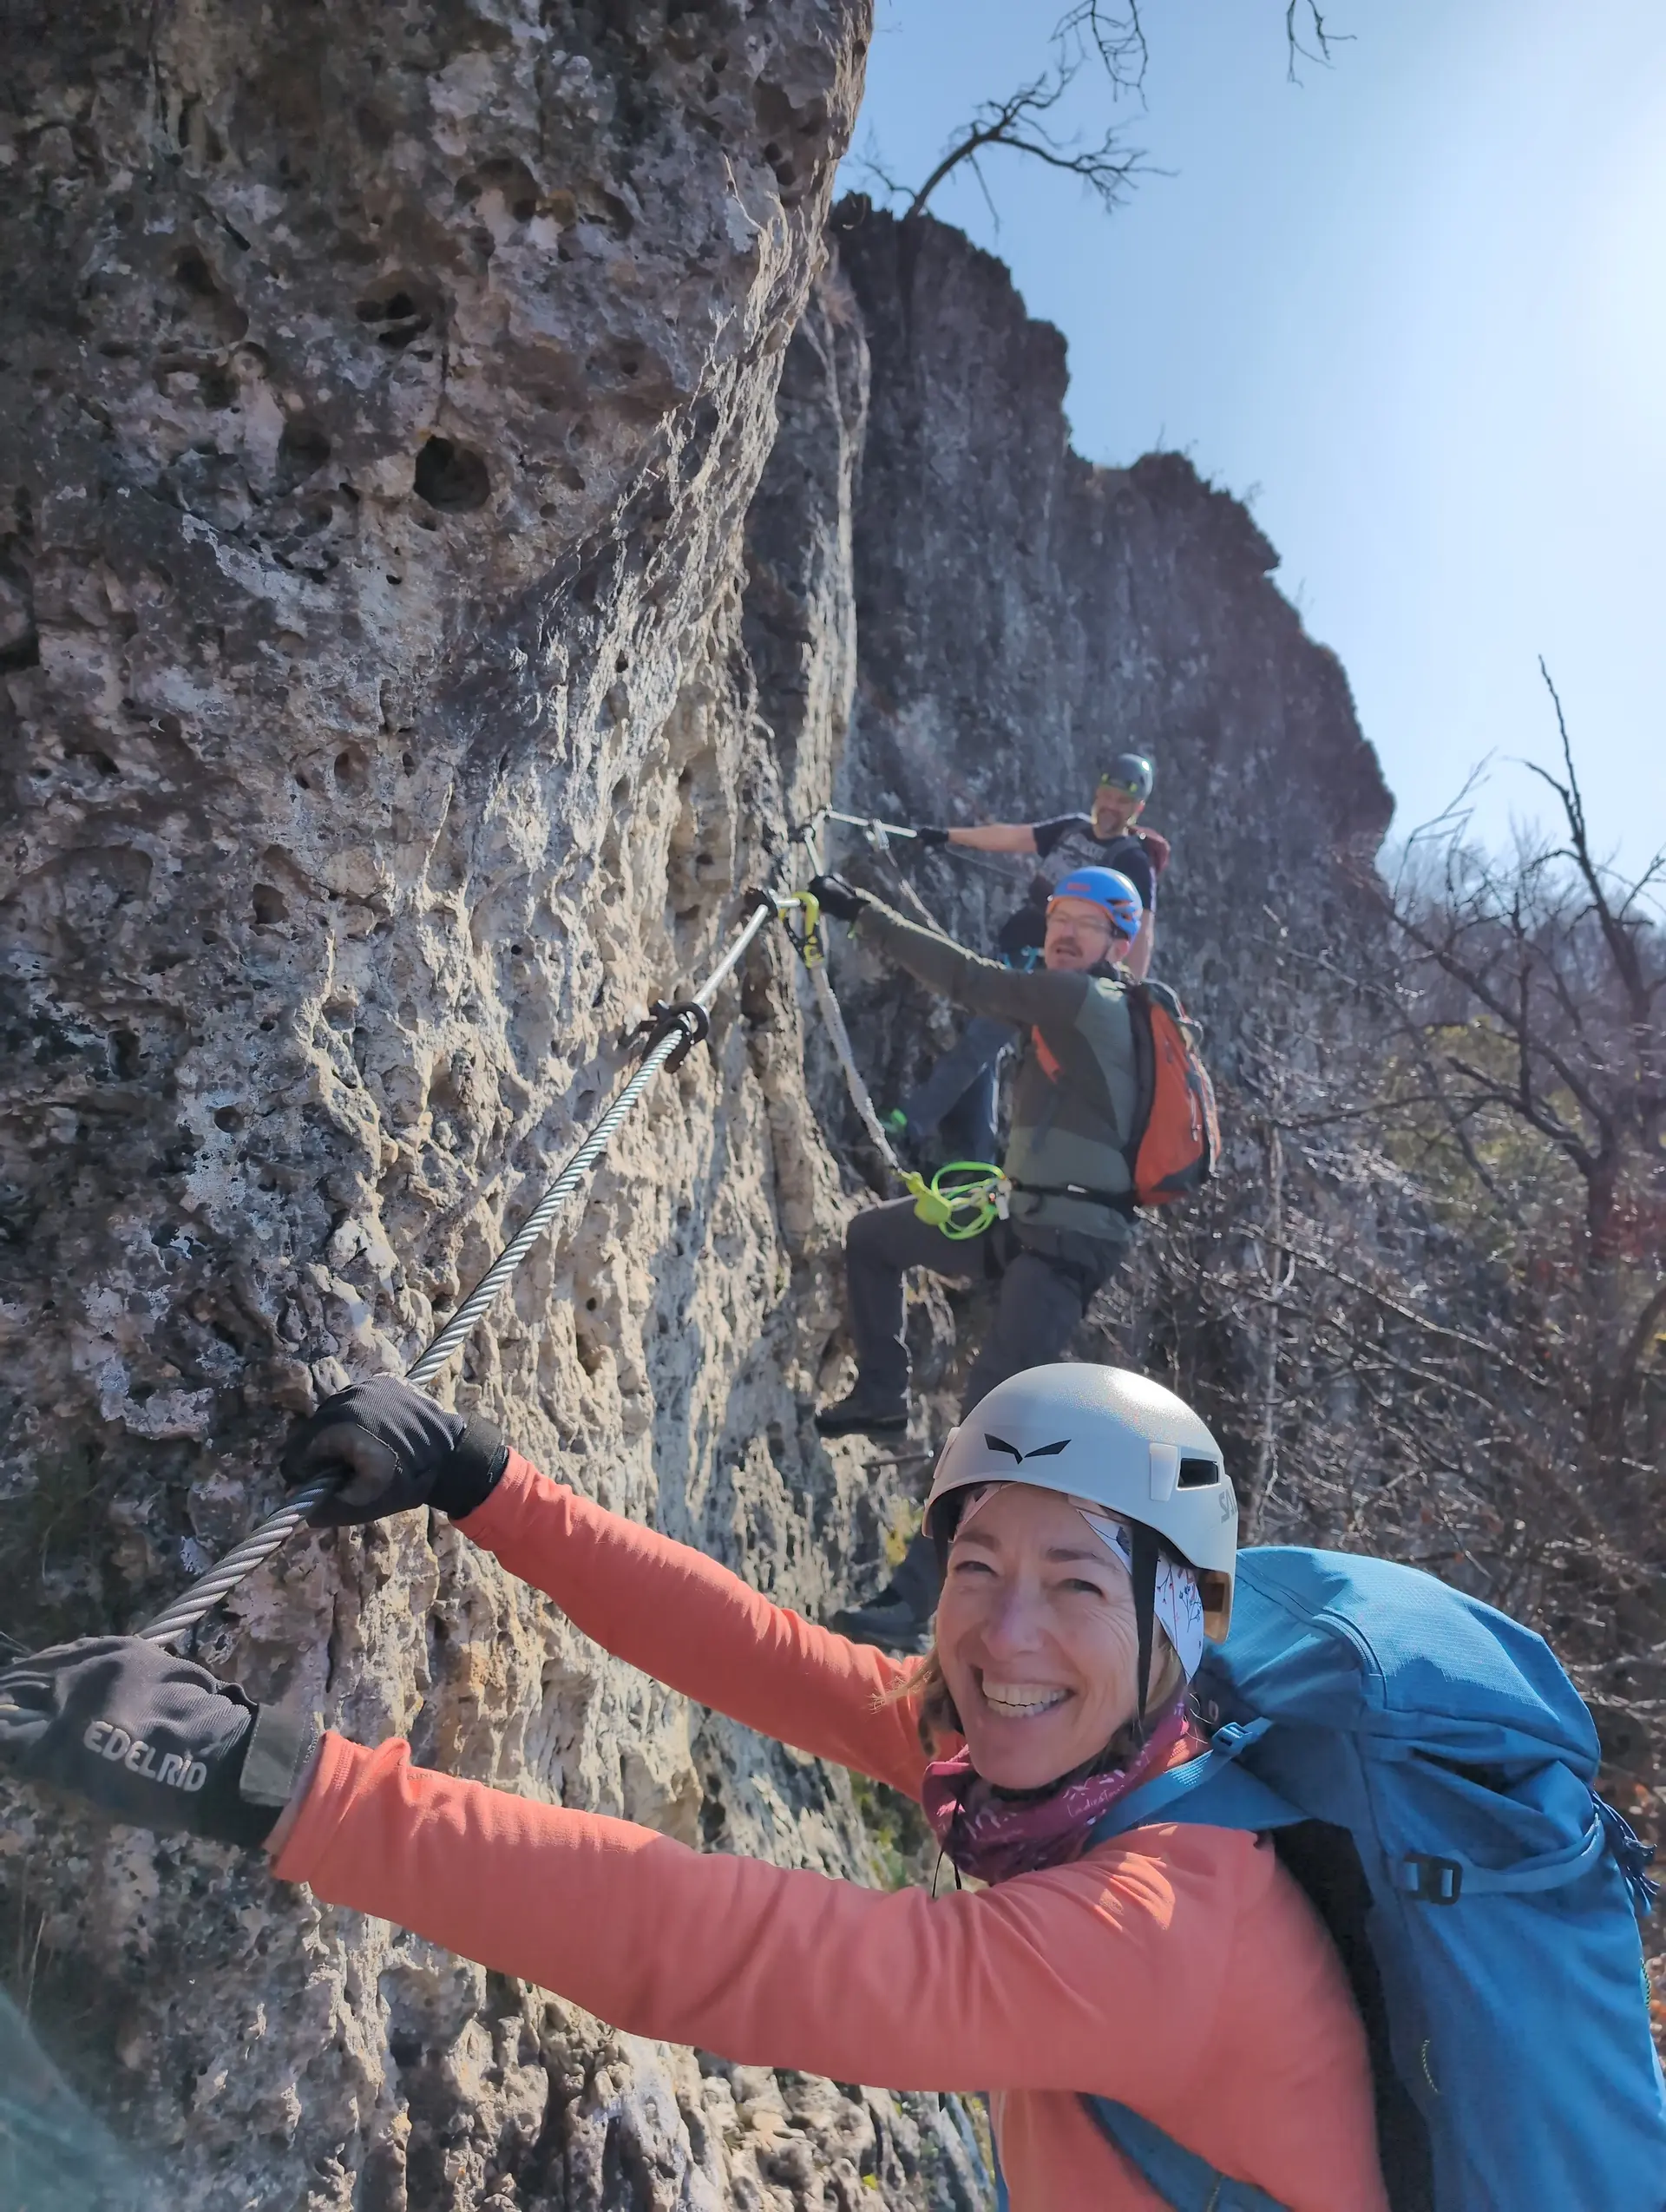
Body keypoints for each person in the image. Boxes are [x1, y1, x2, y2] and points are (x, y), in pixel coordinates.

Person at [0, 1366, 1390, 2212]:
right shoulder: (1076, 1768)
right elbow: (767, 1655)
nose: (1005, 1635)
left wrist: (275, 1782)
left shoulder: (1162, 1923)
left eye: (1077, 1583)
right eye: (978, 1568)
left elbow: (722, 1952)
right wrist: (481, 1480)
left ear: (1183, 1624)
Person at [887, 752, 1170, 1162]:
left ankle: (909, 1123)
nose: (1111, 806)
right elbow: (1011, 837)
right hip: (1017, 953)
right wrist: (945, 836)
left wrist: (1128, 997)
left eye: (1122, 802)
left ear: (1137, 809)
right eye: (1107, 796)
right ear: (1098, 792)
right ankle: (976, 1159)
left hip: (1052, 975)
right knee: (984, 1050)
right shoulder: (1072, 829)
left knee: (979, 1043)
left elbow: (1141, 931)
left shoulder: (1131, 861)